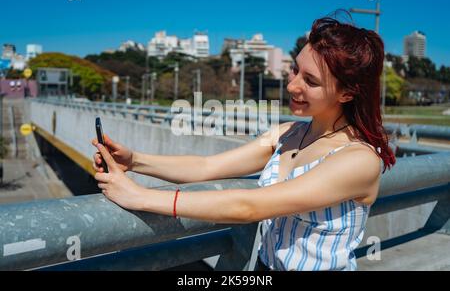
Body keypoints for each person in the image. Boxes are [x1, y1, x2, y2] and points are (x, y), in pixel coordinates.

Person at [92, 14, 396, 271]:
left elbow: (250, 206)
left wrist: (141, 197)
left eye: (311, 81)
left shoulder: (358, 159)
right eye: (295, 69)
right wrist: (134, 160)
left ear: (347, 94)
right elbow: (207, 166)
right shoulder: (289, 132)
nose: (292, 85)